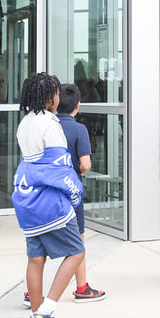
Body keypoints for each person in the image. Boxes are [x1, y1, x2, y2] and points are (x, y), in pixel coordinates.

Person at [13, 73, 85, 318]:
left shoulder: (25, 123)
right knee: (77, 252)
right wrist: (76, 192)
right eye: (55, 93)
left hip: (27, 199)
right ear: (49, 98)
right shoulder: (50, 125)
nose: (58, 97)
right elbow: (59, 168)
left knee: (36, 260)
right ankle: (43, 314)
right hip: (49, 203)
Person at [55, 82, 106, 302]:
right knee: (78, 239)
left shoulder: (48, 125)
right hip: (71, 190)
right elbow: (85, 164)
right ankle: (82, 288)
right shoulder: (78, 129)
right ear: (78, 105)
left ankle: (32, 291)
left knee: (43, 239)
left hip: (47, 191)